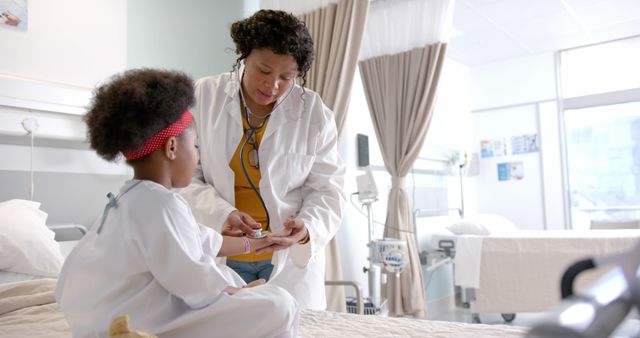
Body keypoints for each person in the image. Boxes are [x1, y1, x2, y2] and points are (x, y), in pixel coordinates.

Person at [55, 68, 299, 338]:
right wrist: (237, 293)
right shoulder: (160, 204)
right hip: (139, 319)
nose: (196, 156)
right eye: (195, 146)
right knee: (281, 304)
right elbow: (192, 279)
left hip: (103, 316)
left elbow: (203, 241)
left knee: (250, 292)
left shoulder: (130, 198)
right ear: (172, 147)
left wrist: (254, 243)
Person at [179, 9, 345, 310]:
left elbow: (328, 189)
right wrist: (221, 214)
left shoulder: (315, 114)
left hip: (287, 263)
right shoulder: (204, 96)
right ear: (245, 56)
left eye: (287, 77)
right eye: (264, 70)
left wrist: (307, 228)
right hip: (223, 255)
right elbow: (185, 175)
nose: (273, 86)